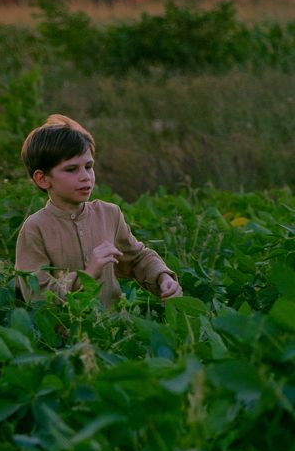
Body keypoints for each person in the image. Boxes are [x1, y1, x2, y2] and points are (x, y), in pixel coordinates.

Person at [14, 114, 183, 307]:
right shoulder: (35, 228)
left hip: (114, 331)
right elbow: (36, 295)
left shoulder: (109, 214)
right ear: (43, 179)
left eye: (88, 166)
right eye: (71, 169)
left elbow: (137, 258)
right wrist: (87, 275)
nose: (85, 177)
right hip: (62, 334)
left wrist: (162, 277)